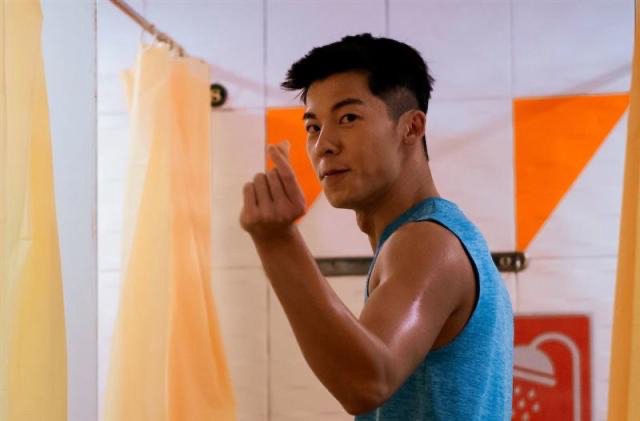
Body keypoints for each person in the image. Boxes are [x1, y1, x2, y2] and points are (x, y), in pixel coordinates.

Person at [239, 33, 513, 420]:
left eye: (348, 118)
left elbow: (366, 382)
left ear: (411, 128)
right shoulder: (427, 237)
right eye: (313, 127)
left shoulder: (427, 241)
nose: (324, 145)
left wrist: (277, 241)